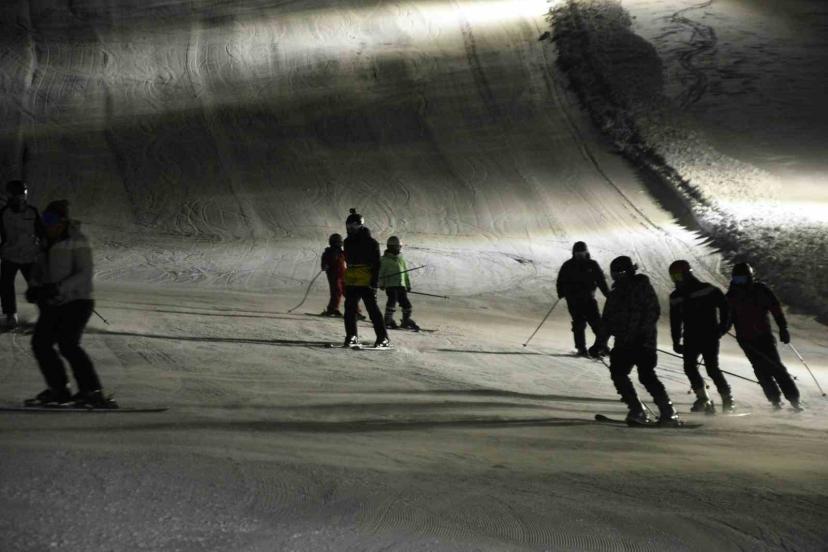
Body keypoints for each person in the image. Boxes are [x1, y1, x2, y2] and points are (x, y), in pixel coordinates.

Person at [24, 200, 116, 408]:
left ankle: (91, 390)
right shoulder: (43, 242)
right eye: (46, 220)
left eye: (52, 220)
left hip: (78, 301)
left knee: (68, 344)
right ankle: (59, 389)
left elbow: (84, 273)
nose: (49, 225)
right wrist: (34, 287)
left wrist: (59, 288)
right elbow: (38, 270)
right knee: (41, 344)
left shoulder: (77, 240)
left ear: (63, 221)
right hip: (53, 303)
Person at [589, 256, 680, 426]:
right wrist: (600, 342)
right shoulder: (615, 295)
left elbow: (652, 312)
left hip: (643, 341)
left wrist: (641, 333)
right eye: (615, 273)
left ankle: (669, 412)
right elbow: (607, 321)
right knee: (618, 372)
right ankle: (637, 409)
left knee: (646, 375)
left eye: (621, 272)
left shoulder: (642, 287)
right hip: (623, 342)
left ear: (629, 271)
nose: (617, 276)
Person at [726, 262, 800, 411]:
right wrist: (720, 330)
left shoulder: (760, 290)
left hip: (763, 336)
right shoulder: (731, 296)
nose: (739, 283)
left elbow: (775, 309)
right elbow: (728, 318)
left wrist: (783, 328)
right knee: (760, 370)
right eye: (736, 279)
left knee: (776, 367)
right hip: (745, 339)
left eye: (742, 279)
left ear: (749, 277)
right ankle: (774, 400)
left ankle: (794, 400)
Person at [668, 260, 734, 413]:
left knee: (712, 368)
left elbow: (725, 307)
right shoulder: (676, 296)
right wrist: (676, 341)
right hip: (691, 336)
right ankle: (703, 398)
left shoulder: (707, 289)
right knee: (689, 367)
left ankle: (727, 399)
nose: (676, 280)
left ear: (687, 274)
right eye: (674, 277)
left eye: (678, 276)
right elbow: (675, 321)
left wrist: (722, 328)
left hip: (709, 334)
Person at [342, 209, 389, 348]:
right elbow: (348, 261)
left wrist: (374, 282)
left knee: (373, 310)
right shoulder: (347, 242)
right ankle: (352, 336)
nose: (350, 229)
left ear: (360, 226)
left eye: (353, 226)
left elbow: (377, 264)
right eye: (348, 226)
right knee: (349, 310)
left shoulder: (371, 242)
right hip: (352, 280)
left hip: (366, 281)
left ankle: (383, 338)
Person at [0, 180, 44, 329]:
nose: (20, 199)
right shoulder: (4, 213)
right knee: (6, 285)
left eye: (22, 196)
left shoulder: (32, 212)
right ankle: (10, 314)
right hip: (10, 255)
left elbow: (41, 231)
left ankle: (46, 313)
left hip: (29, 255)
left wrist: (45, 246)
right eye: (17, 196)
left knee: (36, 285)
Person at [556, 241, 609, 356]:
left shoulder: (592, 264)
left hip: (589, 299)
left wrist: (607, 294)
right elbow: (560, 281)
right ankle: (581, 348)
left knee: (597, 323)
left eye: (582, 252)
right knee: (578, 324)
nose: (580, 254)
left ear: (586, 252)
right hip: (573, 300)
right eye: (577, 252)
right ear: (574, 253)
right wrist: (561, 292)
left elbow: (600, 280)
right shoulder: (568, 265)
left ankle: (602, 346)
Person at [378, 236, 419, 330]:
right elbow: (380, 273)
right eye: (397, 247)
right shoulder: (384, 260)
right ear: (391, 247)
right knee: (392, 301)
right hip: (391, 285)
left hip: (401, 285)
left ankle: (406, 320)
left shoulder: (401, 259)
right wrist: (381, 283)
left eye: (400, 247)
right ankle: (388, 319)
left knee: (406, 304)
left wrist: (407, 285)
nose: (399, 249)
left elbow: (405, 273)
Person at [320, 233, 346, 316]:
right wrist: (325, 266)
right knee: (336, 291)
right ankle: (333, 309)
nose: (339, 244)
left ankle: (354, 310)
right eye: (338, 242)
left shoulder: (341, 252)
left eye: (340, 242)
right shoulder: (328, 252)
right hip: (334, 275)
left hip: (343, 274)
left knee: (349, 291)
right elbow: (324, 263)